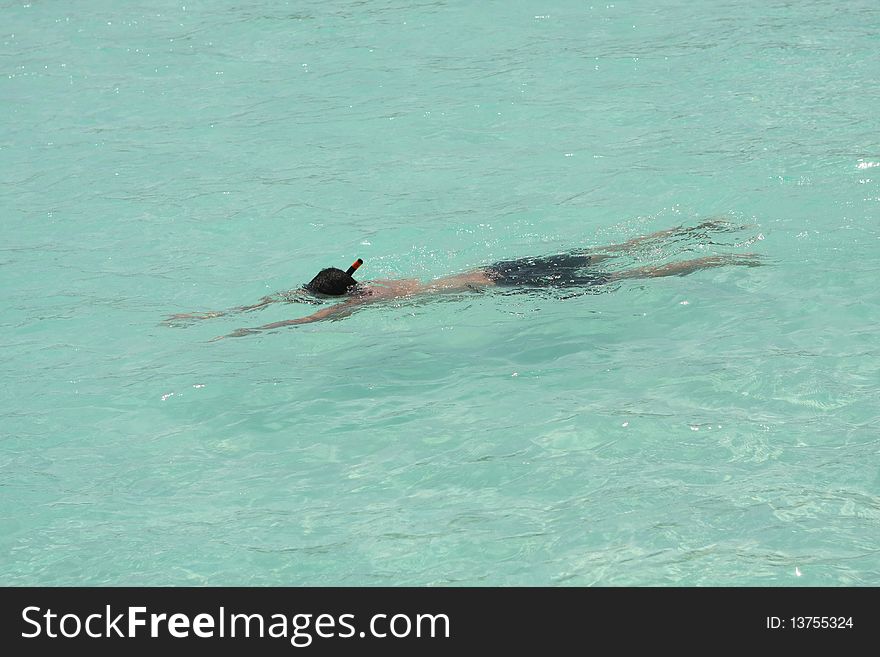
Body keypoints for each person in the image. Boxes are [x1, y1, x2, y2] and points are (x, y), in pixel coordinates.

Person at [164, 220, 764, 339]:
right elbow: (298, 295)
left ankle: (711, 262)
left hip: (502, 287)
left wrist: (231, 331)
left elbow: (299, 313)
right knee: (609, 252)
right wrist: (214, 316)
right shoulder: (367, 287)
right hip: (501, 267)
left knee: (633, 275)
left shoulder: (357, 305)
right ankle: (698, 231)